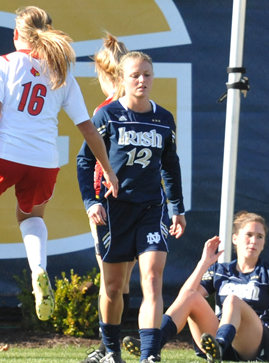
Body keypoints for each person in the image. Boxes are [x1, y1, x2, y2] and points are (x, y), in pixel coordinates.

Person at [0, 6, 118, 322]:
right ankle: (39, 270)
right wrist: (109, 170)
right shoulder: (61, 72)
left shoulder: (3, 64)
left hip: (3, 154)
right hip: (44, 161)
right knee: (30, 217)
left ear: (16, 33)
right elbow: (87, 126)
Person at [77, 51, 186, 363]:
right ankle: (110, 350)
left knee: (152, 277)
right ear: (121, 80)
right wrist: (91, 202)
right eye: (135, 75)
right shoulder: (107, 115)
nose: (142, 80)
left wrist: (177, 207)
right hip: (115, 210)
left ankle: (150, 355)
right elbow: (85, 161)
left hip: (152, 208)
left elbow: (170, 164)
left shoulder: (163, 118)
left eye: (147, 74)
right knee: (113, 287)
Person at [123, 211, 269, 363]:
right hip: (221, 337)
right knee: (191, 296)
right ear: (234, 238)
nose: (254, 241)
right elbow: (185, 296)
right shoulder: (221, 270)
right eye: (249, 234)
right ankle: (153, 345)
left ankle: (220, 344)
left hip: (256, 344)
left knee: (232, 301)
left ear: (264, 242)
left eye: (260, 236)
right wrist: (204, 263)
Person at [79, 32, 136, 363]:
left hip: (108, 202)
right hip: (136, 204)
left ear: (105, 74)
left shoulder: (105, 111)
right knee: (122, 282)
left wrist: (93, 201)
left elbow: (89, 162)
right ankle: (112, 344)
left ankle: (107, 348)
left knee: (111, 281)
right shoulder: (142, 110)